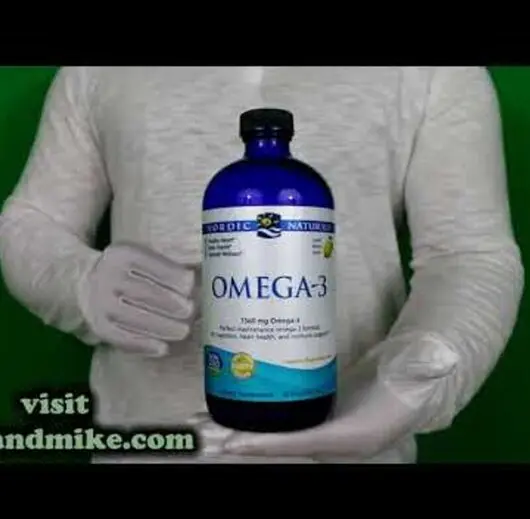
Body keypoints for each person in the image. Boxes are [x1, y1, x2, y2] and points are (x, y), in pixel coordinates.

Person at [0, 66, 524, 463]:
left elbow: (469, 253)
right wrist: (78, 282)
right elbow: (32, 220)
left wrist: (417, 373)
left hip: (349, 439)